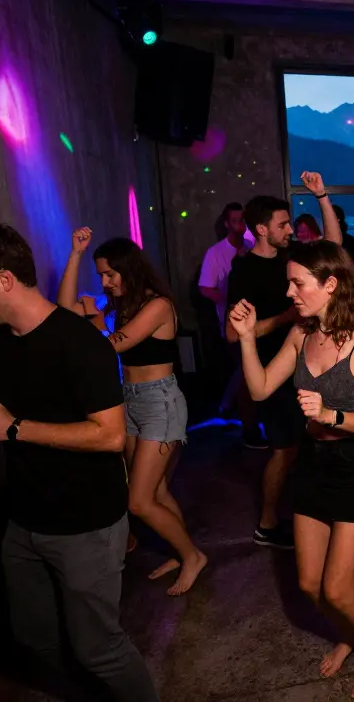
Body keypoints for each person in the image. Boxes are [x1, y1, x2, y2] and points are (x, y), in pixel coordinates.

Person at [0, 221, 158, 701]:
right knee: (34, 637)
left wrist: (11, 428)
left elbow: (110, 436)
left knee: (100, 648)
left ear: (5, 280)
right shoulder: (3, 340)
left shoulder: (80, 344)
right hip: (25, 519)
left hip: (85, 525)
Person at [230, 241, 354, 700]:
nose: (289, 291)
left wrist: (331, 415)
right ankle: (347, 633)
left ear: (330, 285)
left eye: (298, 283)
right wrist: (246, 338)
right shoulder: (302, 334)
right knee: (308, 584)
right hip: (313, 467)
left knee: (339, 589)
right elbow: (260, 389)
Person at [58, 229, 207, 595]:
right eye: (102, 276)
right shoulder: (120, 306)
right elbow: (62, 312)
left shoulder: (157, 306)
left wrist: (94, 317)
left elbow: (108, 348)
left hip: (161, 403)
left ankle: (193, 556)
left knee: (138, 501)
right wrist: (76, 256)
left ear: (129, 269)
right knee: (155, 491)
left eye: (110, 274)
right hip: (131, 401)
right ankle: (179, 549)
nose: (105, 283)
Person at [226, 172, 342, 550]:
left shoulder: (291, 258)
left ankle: (308, 514)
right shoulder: (244, 270)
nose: (290, 229)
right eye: (282, 224)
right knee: (285, 450)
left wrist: (322, 196)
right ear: (261, 230)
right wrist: (283, 319)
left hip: (304, 368)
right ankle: (268, 523)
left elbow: (334, 247)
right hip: (272, 374)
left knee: (308, 445)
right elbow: (231, 333)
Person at [201, 201, 262, 448]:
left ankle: (228, 407)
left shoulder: (251, 248)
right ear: (227, 223)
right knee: (244, 372)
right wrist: (231, 302)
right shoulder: (216, 253)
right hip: (232, 325)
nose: (240, 226)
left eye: (243, 221)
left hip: (256, 323)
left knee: (249, 370)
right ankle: (245, 425)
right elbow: (205, 287)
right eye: (235, 221)